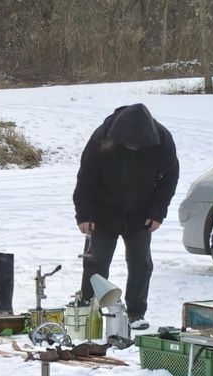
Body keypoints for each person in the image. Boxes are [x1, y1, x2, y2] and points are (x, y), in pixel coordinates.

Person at [72, 103, 179, 331]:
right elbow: (86, 177)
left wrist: (157, 211)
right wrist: (84, 213)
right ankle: (89, 309)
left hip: (141, 214)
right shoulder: (102, 137)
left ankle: (136, 312)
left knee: (141, 264)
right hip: (102, 212)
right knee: (96, 262)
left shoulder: (162, 140)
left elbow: (169, 179)